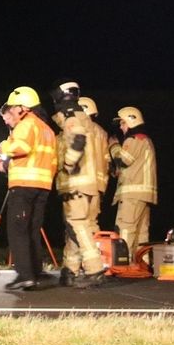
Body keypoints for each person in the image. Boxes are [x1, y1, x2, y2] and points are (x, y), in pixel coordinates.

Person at [0, 86, 57, 291]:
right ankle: (36, 272)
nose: (11, 112)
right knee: (32, 230)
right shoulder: (46, 129)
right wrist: (4, 167)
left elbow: (21, 147)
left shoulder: (26, 124)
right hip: (42, 186)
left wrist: (3, 146)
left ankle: (25, 275)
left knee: (17, 230)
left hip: (24, 187)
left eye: (13, 108)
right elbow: (41, 159)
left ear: (23, 107)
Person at [48, 81, 106, 288]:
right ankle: (69, 270)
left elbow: (78, 139)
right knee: (80, 227)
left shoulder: (71, 118)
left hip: (77, 184)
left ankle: (94, 267)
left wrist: (68, 163)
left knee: (77, 225)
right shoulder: (95, 126)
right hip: (94, 185)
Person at [109, 106, 157, 255]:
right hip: (143, 194)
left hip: (132, 194)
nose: (121, 127)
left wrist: (113, 146)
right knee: (141, 233)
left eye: (122, 123)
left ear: (130, 121)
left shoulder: (134, 138)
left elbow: (124, 159)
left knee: (125, 230)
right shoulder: (145, 140)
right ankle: (141, 265)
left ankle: (123, 265)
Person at [77, 96, 112, 237]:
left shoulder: (76, 129)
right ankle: (96, 256)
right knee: (92, 223)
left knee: (76, 224)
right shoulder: (102, 132)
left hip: (80, 184)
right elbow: (107, 161)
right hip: (98, 186)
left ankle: (73, 259)